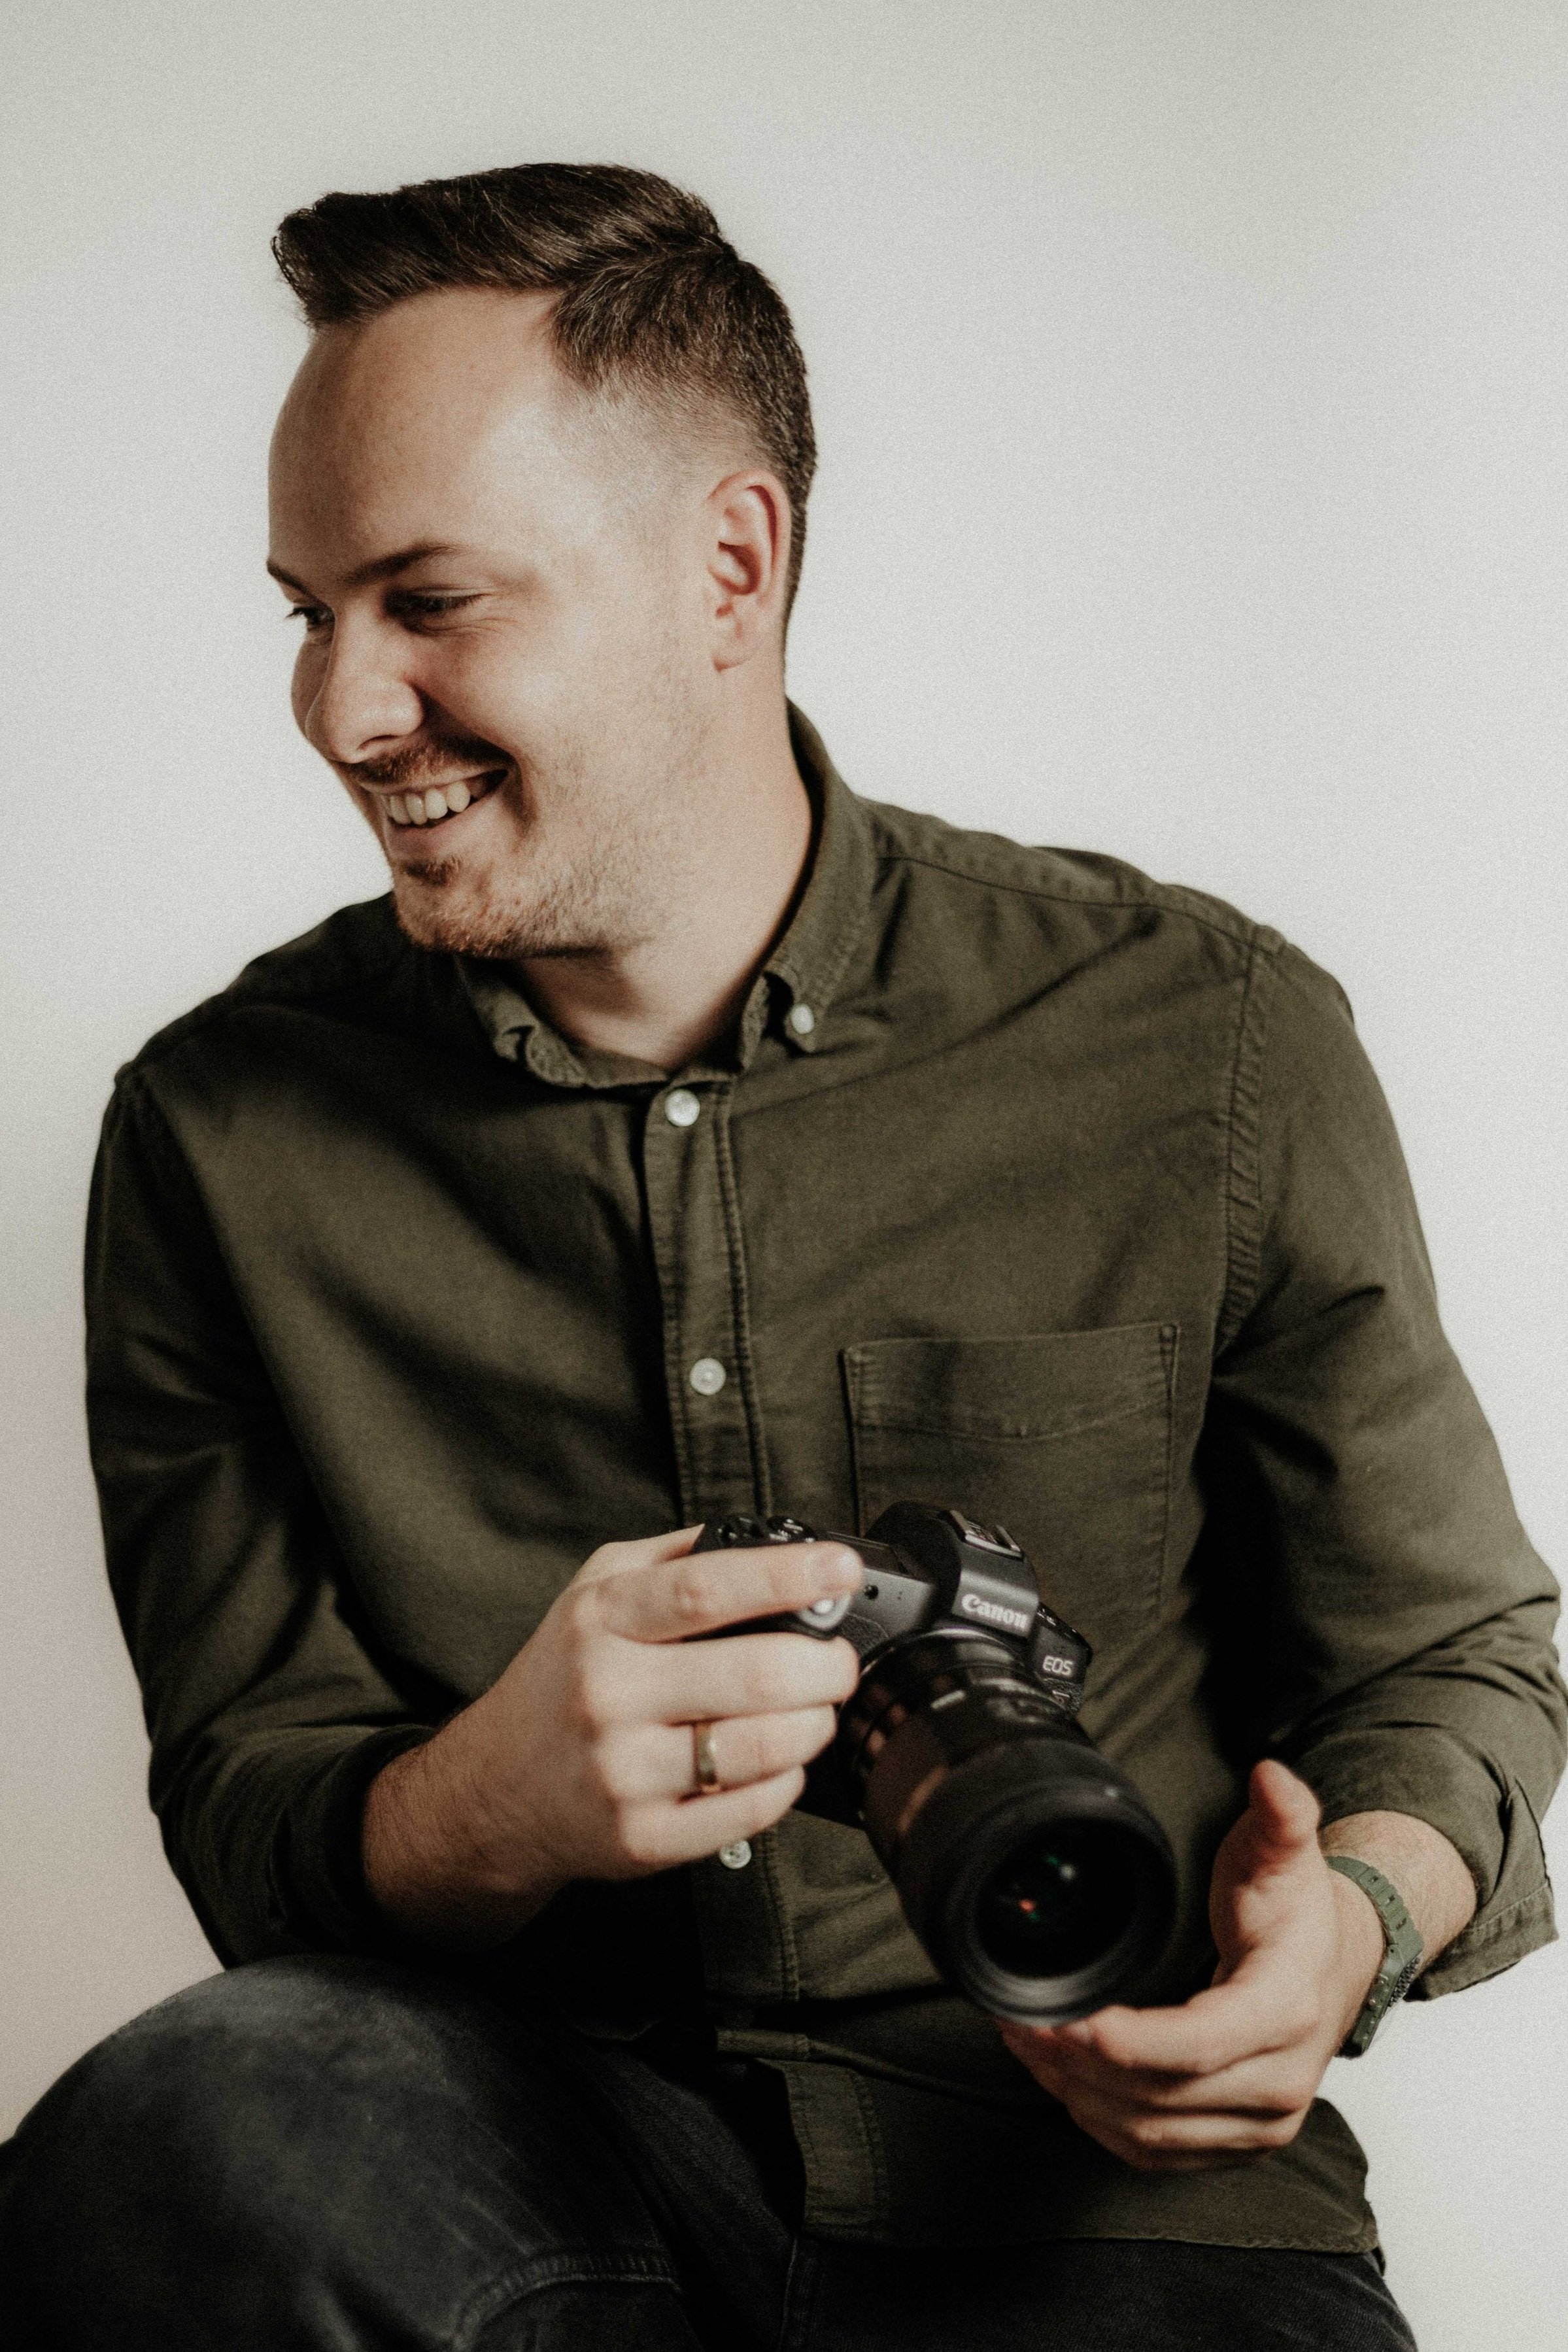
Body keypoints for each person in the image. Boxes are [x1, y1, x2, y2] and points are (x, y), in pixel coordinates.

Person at [1, 163, 1561, 2352]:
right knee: (200, 2125)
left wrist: (1358, 1929)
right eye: (306, 610)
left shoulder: (1207, 1038)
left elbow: (1459, 1652)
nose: (343, 711)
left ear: (728, 567)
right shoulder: (216, 1134)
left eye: (428, 600)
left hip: (1109, 2197)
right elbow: (257, 1807)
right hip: (520, 2153)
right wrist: (501, 1797)